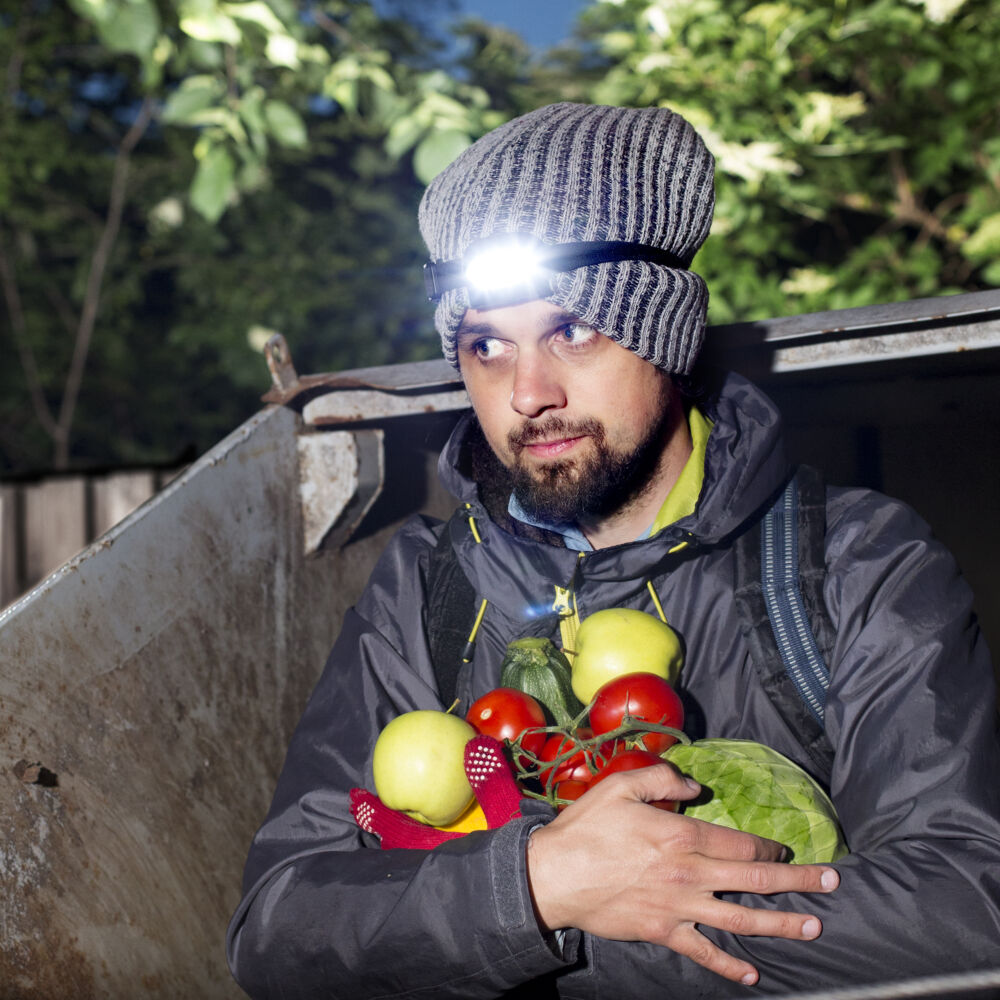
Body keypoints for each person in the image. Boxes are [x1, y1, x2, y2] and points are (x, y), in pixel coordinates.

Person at [226, 103, 1000, 998]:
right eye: (486, 345)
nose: (528, 393)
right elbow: (279, 928)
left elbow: (967, 904)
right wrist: (539, 886)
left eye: (574, 331)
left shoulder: (854, 563)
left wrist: (606, 918)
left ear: (665, 336)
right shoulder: (427, 588)